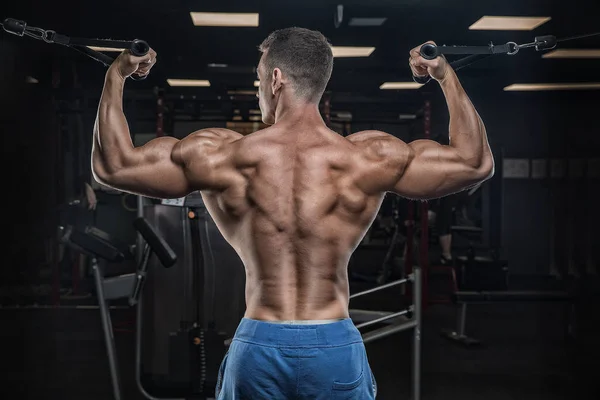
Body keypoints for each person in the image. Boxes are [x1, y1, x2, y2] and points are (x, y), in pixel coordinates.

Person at [91, 28, 494, 399]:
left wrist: (117, 75)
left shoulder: (222, 155)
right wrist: (445, 76)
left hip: (259, 344)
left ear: (277, 79)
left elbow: (113, 166)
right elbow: (474, 163)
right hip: (333, 345)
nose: (259, 90)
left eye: (259, 79)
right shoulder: (368, 157)